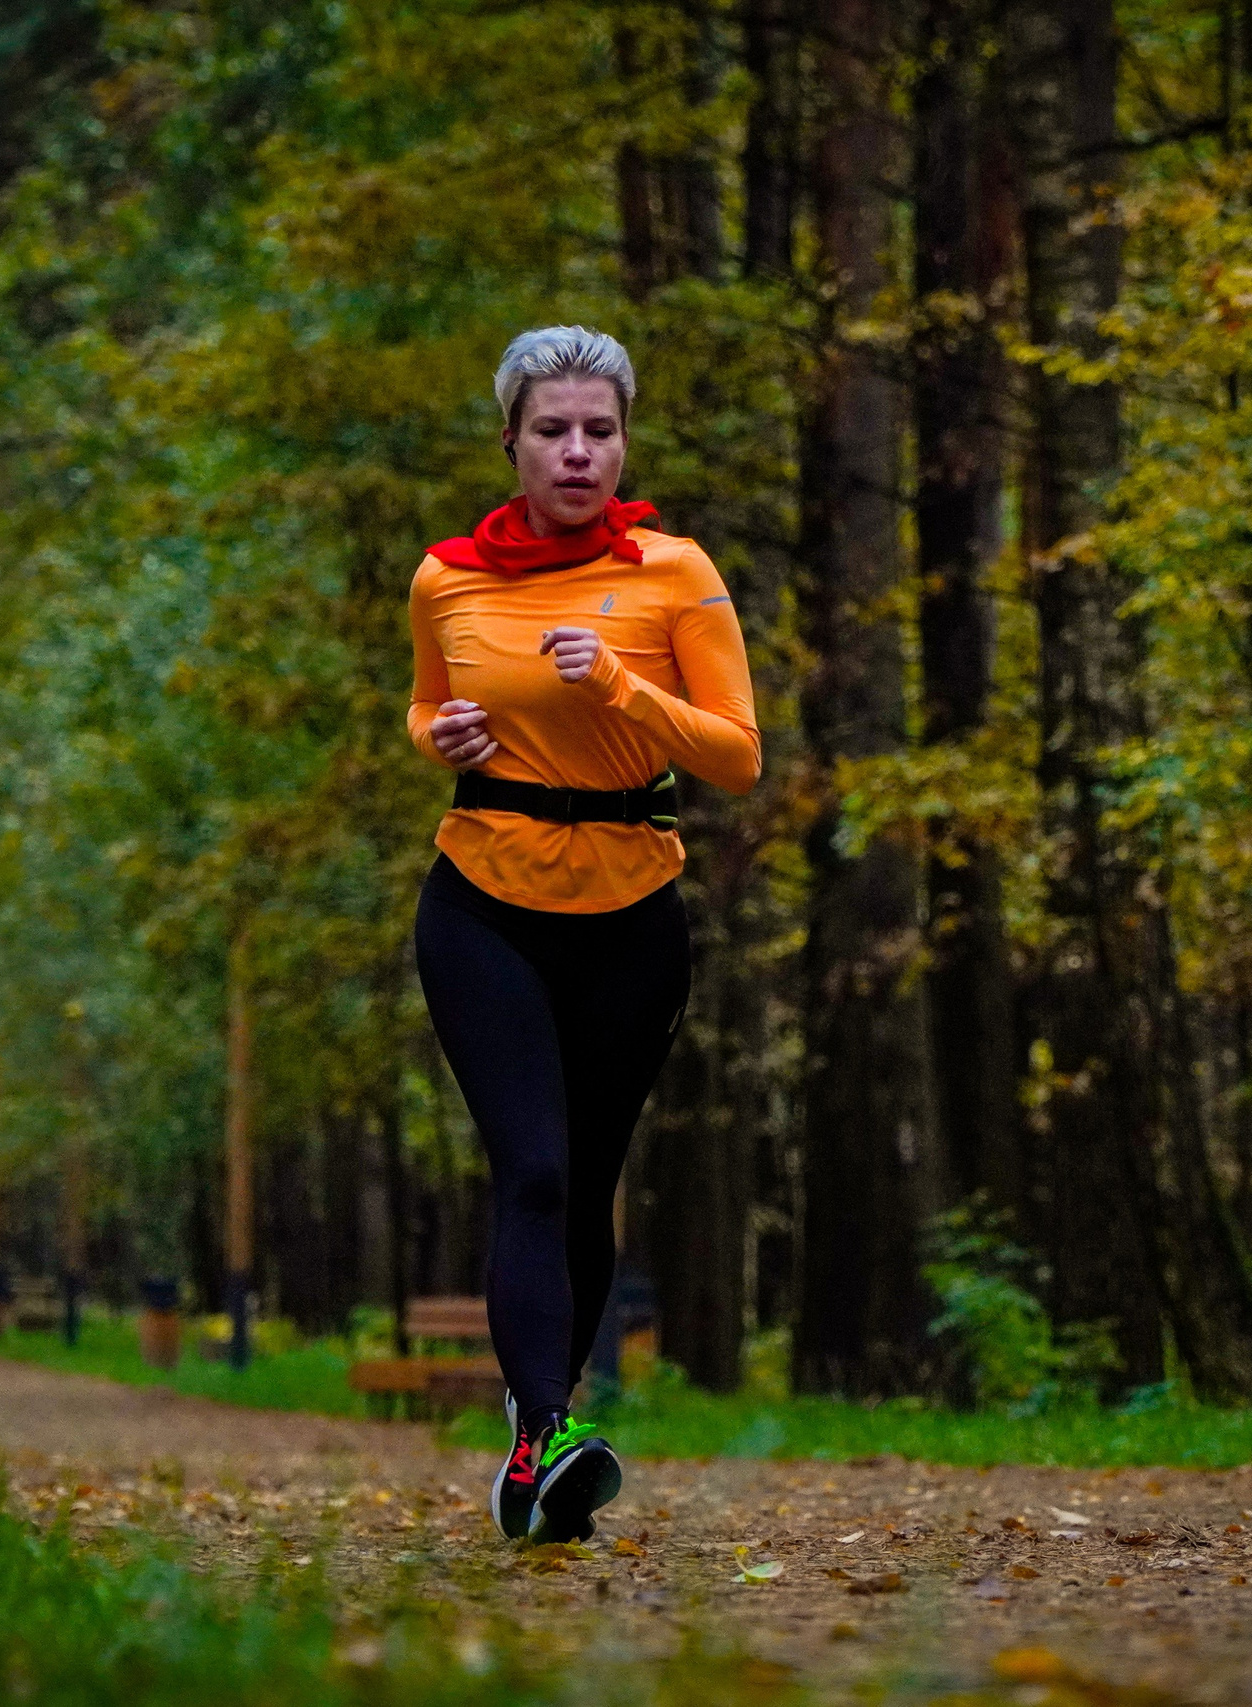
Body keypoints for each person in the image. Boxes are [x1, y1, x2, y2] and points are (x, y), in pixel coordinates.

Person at [409, 327, 759, 1543]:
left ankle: (534, 1447)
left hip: (630, 913)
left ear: (623, 444)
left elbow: (736, 755)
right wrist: (439, 738)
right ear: (510, 441)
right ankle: (547, 1431)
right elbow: (425, 702)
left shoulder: (676, 573)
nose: (576, 451)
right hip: (481, 899)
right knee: (535, 1172)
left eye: (598, 431)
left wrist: (619, 685)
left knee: (589, 1185)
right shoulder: (446, 577)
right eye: (552, 430)